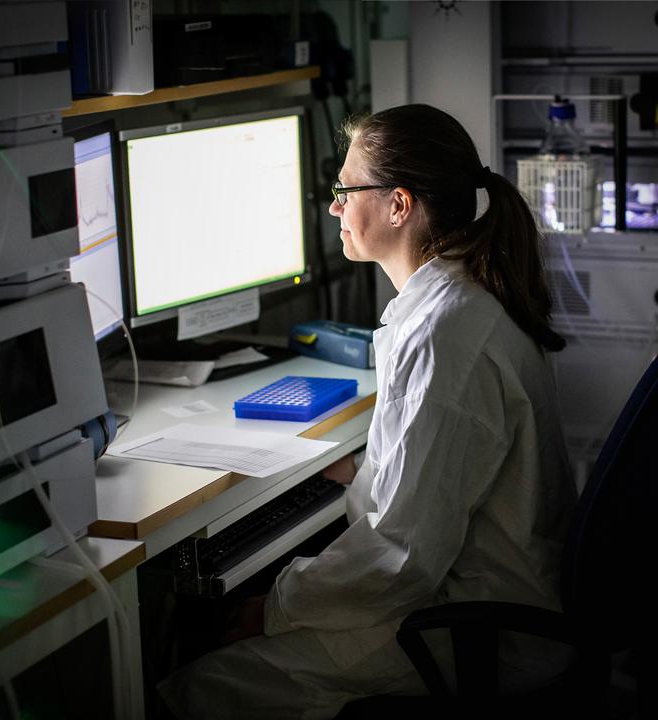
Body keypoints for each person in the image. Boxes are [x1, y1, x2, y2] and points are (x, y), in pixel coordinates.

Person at [158, 104, 578, 719]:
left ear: (399, 206)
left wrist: (274, 607)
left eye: (344, 190)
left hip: (479, 630)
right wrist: (366, 472)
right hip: (475, 594)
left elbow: (401, 559)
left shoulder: (446, 336)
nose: (334, 208)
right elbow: (443, 473)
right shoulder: (459, 303)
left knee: (207, 683)